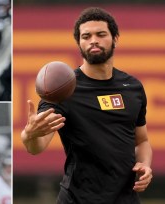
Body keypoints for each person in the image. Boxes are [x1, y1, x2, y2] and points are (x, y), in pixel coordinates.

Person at [21, 7, 153, 204]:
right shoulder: (61, 89)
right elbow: (36, 147)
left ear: (115, 38)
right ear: (79, 43)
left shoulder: (132, 87)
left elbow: (141, 141)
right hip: (78, 198)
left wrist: (144, 165)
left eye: (101, 34)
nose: (93, 40)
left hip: (126, 198)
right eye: (86, 36)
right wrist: (29, 134)